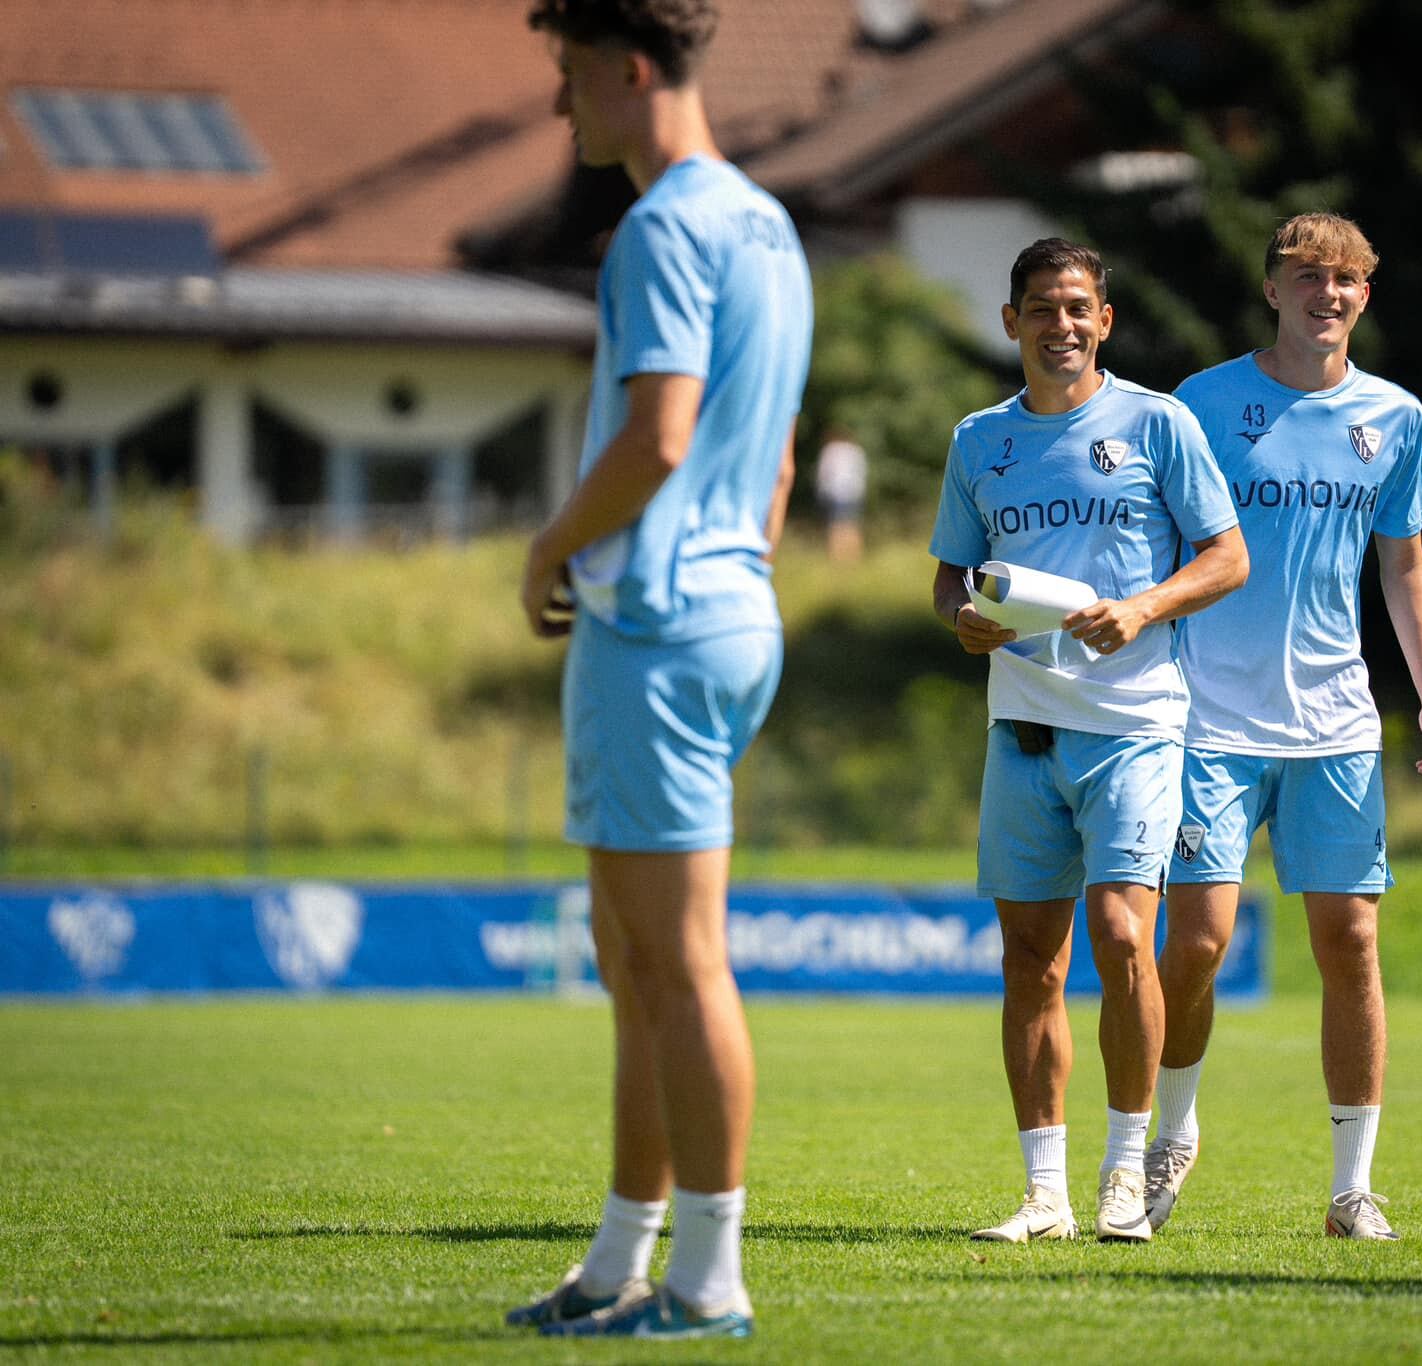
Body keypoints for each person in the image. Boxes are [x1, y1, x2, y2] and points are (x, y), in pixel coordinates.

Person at [507, 0, 812, 1341]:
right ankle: (620, 1260)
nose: (563, 109)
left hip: (658, 626)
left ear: (631, 71)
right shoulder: (771, 225)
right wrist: (733, 578)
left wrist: (548, 546)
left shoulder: (665, 226)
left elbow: (659, 437)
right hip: (724, 612)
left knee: (677, 962)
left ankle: (708, 1280)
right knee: (636, 960)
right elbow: (780, 456)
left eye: (572, 80)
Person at [1143, 213, 1422, 1243]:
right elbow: (1163, 547)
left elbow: (1402, 567)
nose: (1327, 293)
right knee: (1195, 944)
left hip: (1334, 723)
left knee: (1351, 942)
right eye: (1306, 276)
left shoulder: (1395, 418)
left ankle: (1351, 1187)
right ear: (1270, 290)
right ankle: (1170, 1140)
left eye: (1345, 280)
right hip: (1207, 719)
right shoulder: (1202, 403)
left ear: (1364, 297)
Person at [929, 237, 1247, 1244]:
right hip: (1021, 728)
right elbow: (951, 575)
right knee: (1030, 960)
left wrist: (1144, 608)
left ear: (1103, 320)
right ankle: (1043, 1194)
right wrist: (962, 618)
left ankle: (1124, 1169)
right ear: (1010, 322)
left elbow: (1228, 555)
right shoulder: (978, 439)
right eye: (1039, 308)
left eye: (1076, 308)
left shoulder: (1159, 423)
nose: (1058, 325)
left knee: (1120, 936)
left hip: (1135, 726)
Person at [815, 425, 869, 562]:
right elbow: (862, 473)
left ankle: (837, 559)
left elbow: (824, 474)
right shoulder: (856, 450)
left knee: (836, 527)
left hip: (836, 493)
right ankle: (854, 558)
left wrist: (821, 493)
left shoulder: (830, 450)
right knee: (852, 525)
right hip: (854, 493)